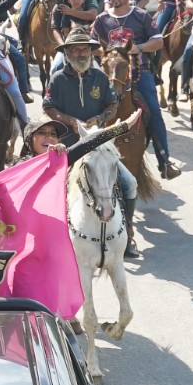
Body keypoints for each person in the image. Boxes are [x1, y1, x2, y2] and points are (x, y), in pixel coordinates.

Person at [41, 29, 142, 258]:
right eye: (75, 50)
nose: (81, 53)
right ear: (67, 53)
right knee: (54, 188)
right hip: (68, 146)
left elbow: (112, 106)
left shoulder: (100, 78)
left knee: (130, 184)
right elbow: (48, 107)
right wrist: (70, 121)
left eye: (85, 49)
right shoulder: (57, 79)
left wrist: (99, 118)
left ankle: (128, 234)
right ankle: (53, 237)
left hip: (99, 144)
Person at [91, 0, 180, 179]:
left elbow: (158, 42)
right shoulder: (102, 19)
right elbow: (91, 45)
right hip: (110, 74)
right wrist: (109, 52)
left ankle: (164, 161)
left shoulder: (141, 16)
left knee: (154, 112)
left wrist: (138, 48)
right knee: (89, 109)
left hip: (140, 72)